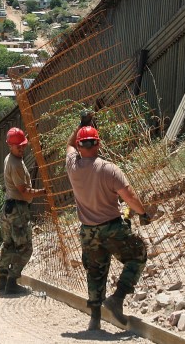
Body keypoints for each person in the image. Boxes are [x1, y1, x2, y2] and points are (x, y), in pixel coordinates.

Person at [65, 119, 150, 331]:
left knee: (95, 271)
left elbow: (68, 146)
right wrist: (143, 213)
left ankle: (94, 319)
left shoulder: (72, 166)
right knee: (138, 255)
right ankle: (117, 298)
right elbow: (129, 197)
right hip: (112, 227)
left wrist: (80, 125)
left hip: (87, 231)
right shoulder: (108, 169)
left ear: (79, 146)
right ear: (98, 144)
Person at [0, 127, 46, 295]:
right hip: (18, 209)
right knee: (25, 248)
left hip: (8, 208)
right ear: (10, 145)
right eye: (18, 146)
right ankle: (12, 281)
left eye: (23, 145)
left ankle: (2, 280)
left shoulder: (10, 158)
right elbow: (24, 191)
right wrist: (43, 192)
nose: (22, 148)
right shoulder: (16, 164)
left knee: (9, 245)